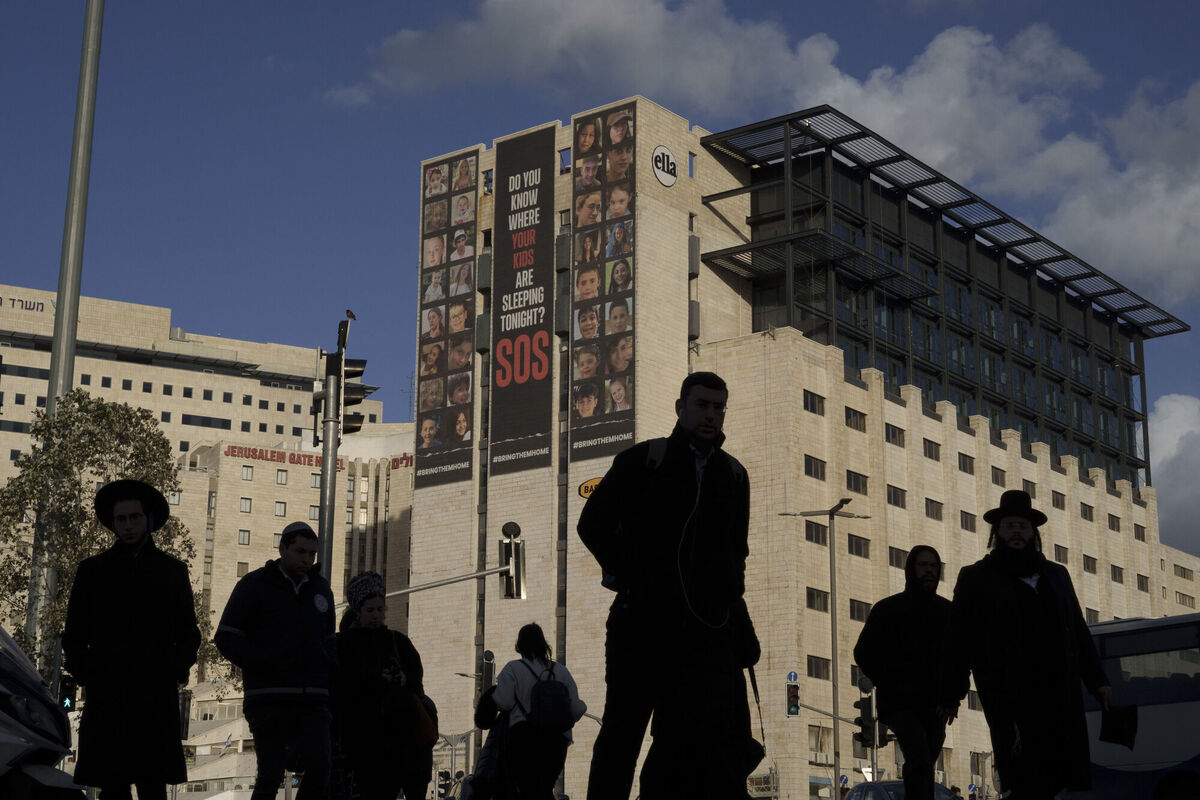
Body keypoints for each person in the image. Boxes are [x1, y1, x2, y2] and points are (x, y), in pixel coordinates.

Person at [578, 372, 756, 800]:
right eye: (702, 405)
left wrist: (736, 624)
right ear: (681, 408)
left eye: (718, 407)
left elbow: (735, 558)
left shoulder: (733, 476)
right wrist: (635, 577)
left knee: (683, 742)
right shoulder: (645, 460)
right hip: (639, 627)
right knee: (622, 735)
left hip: (701, 638)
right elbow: (592, 524)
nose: (710, 415)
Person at [939, 490, 1112, 800]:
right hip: (1009, 692)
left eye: (1023, 526)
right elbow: (959, 639)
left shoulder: (1056, 575)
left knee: (1057, 771)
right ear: (998, 533)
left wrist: (1097, 680)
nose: (1016, 532)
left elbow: (1077, 630)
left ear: (1033, 533)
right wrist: (951, 694)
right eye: (1009, 526)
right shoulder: (977, 578)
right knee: (1022, 771)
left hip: (1058, 691)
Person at [63, 480, 202, 800]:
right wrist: (88, 671)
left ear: (148, 520)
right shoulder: (92, 571)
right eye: (121, 519)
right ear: (113, 523)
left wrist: (173, 668)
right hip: (107, 697)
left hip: (155, 696)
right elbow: (73, 633)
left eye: (135, 517)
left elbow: (189, 632)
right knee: (112, 787)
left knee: (153, 786)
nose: (128, 525)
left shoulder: (172, 571)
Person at [215, 522, 336, 800]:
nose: (307, 559)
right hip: (268, 698)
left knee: (320, 767)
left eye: (312, 554)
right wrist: (265, 663)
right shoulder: (254, 585)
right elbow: (226, 637)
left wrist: (328, 671)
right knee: (271, 774)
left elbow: (329, 640)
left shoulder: (321, 589)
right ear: (283, 549)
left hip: (313, 698)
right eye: (300, 551)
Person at [853, 545, 951, 800]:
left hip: (935, 706)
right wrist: (889, 683)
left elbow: (960, 658)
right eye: (923, 565)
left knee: (925, 761)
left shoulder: (947, 612)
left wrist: (952, 699)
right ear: (911, 569)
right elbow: (863, 652)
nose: (929, 571)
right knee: (919, 757)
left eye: (934, 566)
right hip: (900, 705)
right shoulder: (888, 610)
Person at [334, 571, 430, 800]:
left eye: (380, 609)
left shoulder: (398, 641)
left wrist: (402, 679)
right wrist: (375, 681)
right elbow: (341, 686)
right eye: (370, 610)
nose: (376, 616)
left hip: (397, 738)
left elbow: (416, 678)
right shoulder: (344, 644)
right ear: (358, 611)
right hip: (359, 739)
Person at [492, 623, 586, 800]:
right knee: (546, 787)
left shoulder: (513, 668)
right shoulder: (560, 670)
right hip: (556, 741)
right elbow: (577, 708)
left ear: (519, 645)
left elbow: (504, 702)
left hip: (523, 738)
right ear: (544, 644)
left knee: (527, 788)